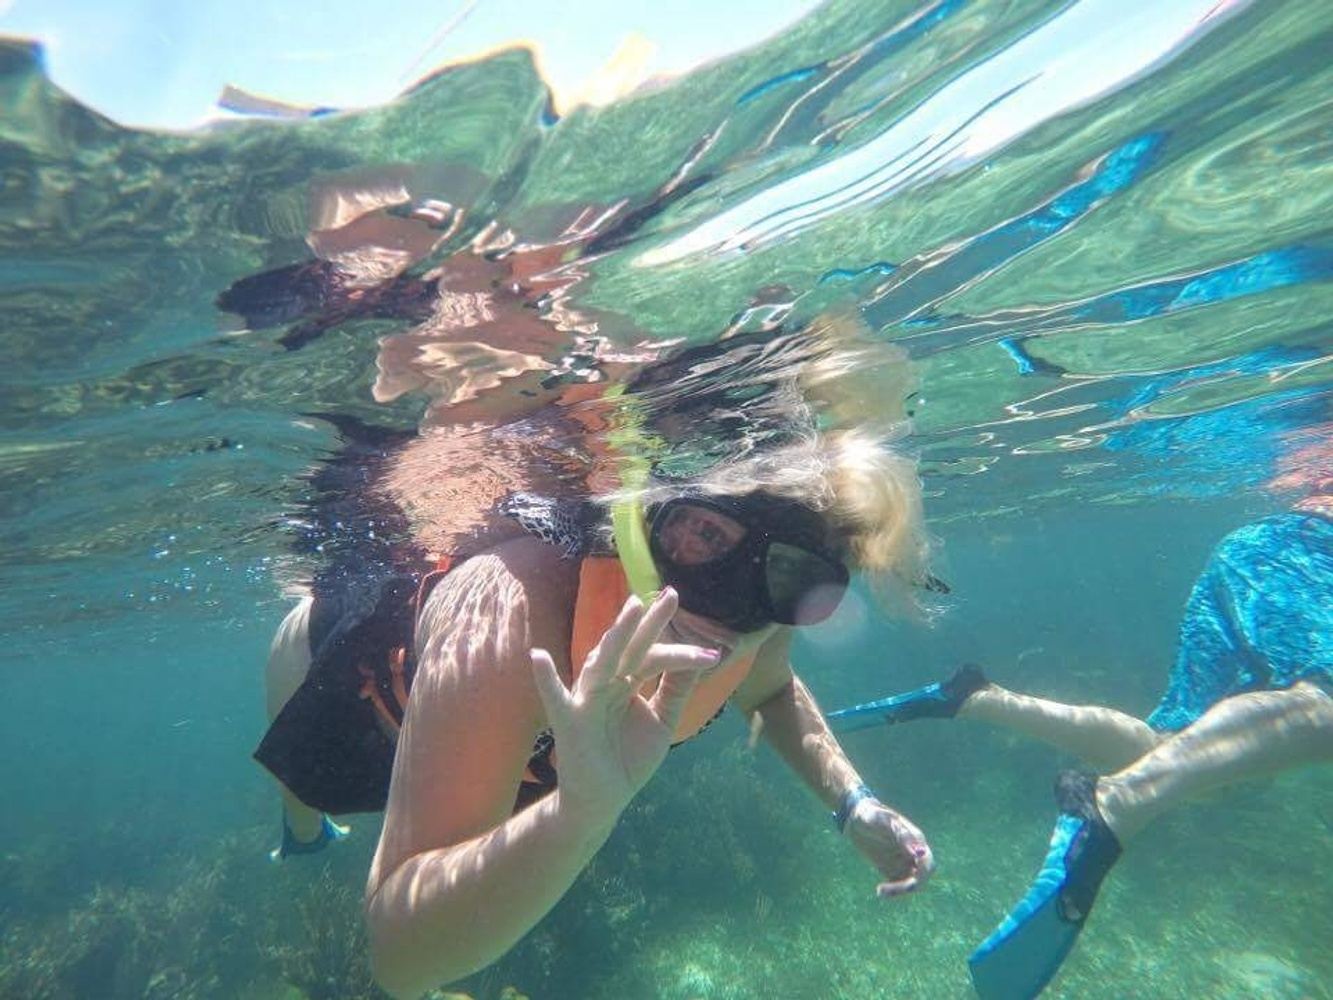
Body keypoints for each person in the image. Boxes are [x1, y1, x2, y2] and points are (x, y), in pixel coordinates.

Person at [253, 295, 939, 997]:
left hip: (513, 758)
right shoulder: (511, 609)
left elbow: (769, 691)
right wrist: (578, 813)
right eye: (700, 536)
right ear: (643, 524)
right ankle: (302, 832)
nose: (722, 607)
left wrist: (853, 803)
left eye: (794, 580)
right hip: (346, 692)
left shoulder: (753, 621)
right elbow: (399, 961)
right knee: (306, 801)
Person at [828, 486, 1333, 999]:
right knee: (1323, 700)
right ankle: (1117, 800)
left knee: (1178, 751)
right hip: (1312, 549)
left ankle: (977, 698)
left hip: (1255, 547)